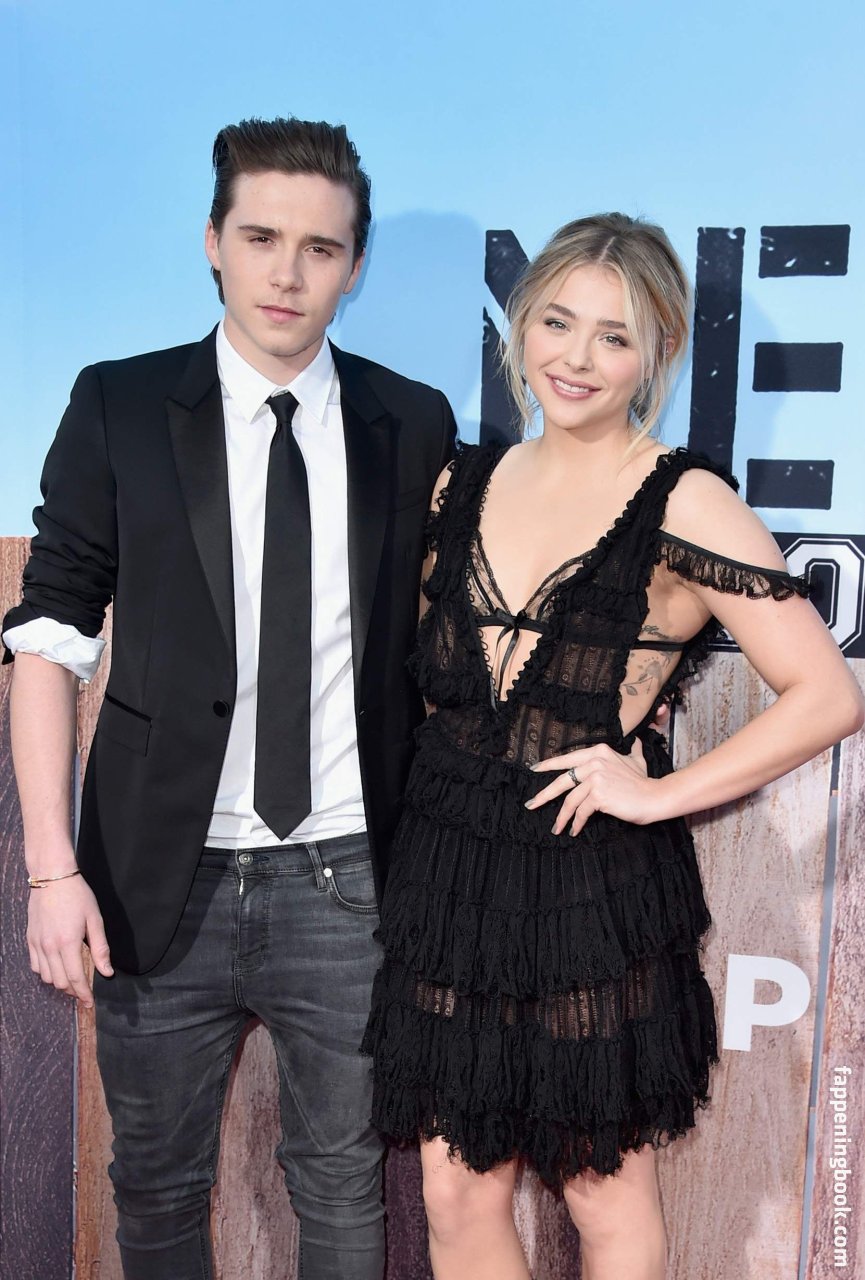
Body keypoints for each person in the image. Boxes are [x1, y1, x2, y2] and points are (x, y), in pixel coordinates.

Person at [361, 212, 864, 1280]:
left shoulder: (686, 501)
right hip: (446, 869)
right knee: (455, 1189)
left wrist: (658, 793)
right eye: (557, 322)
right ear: (520, 324)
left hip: (587, 877)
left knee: (602, 1188)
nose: (576, 358)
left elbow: (825, 693)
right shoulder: (460, 483)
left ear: (658, 352)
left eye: (613, 335)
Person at [2, 116, 456, 1280]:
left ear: (355, 266)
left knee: (344, 1182)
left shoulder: (412, 421)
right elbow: (48, 639)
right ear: (213, 241)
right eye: (260, 237)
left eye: (320, 247)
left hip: (349, 875)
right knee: (155, 1184)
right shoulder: (118, 404)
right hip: (158, 871)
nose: (287, 273)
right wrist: (50, 868)